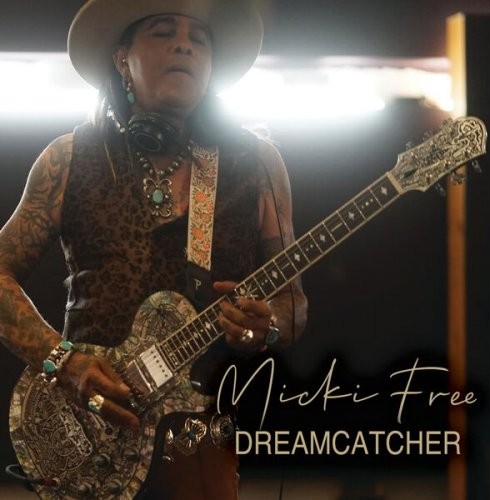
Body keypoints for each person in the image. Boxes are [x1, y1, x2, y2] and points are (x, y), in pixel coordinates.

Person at [0, 0, 307, 498]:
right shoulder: (70, 158)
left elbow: (293, 303)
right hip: (90, 435)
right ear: (123, 58)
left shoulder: (257, 163)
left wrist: (267, 324)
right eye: (164, 32)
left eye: (198, 38)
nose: (184, 45)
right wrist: (63, 363)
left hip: (200, 443)